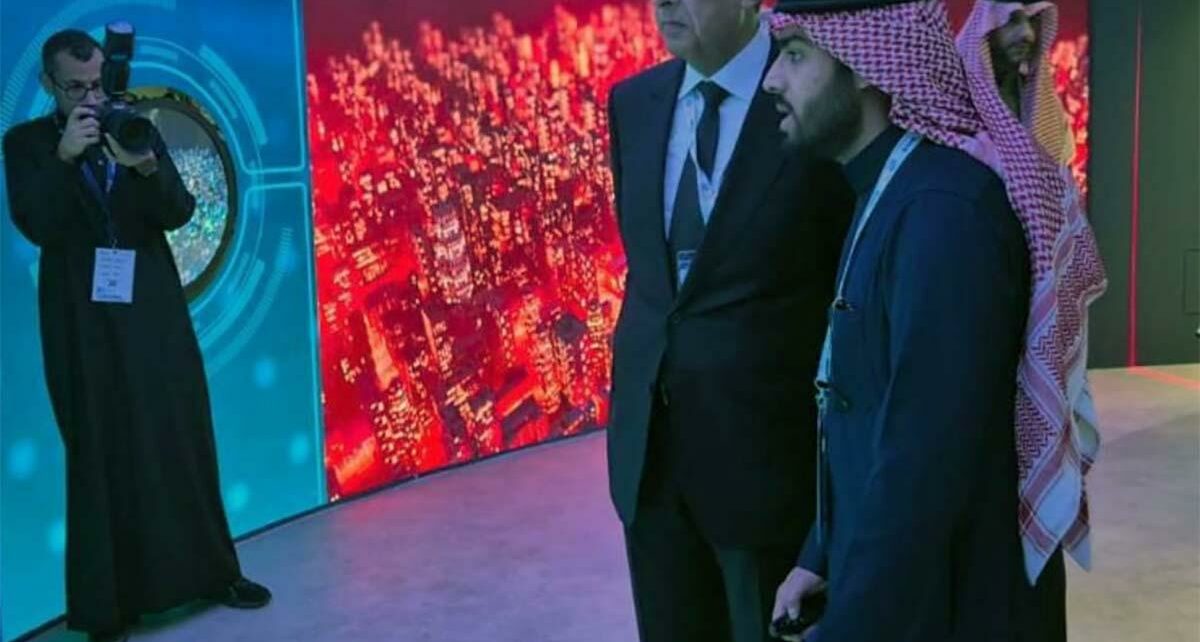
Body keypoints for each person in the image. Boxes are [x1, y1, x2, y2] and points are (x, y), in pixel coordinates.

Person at [761, 1, 1106, 640]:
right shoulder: (893, 191)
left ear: (865, 65)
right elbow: (868, 411)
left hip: (957, 602)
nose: (772, 80)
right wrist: (822, 552)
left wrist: (851, 626)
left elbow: (922, 467)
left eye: (796, 55)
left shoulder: (943, 214)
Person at [2, 29, 271, 642]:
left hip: (153, 310)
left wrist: (145, 165)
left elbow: (178, 212)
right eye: (75, 87)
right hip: (79, 320)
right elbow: (36, 223)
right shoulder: (27, 144)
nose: (90, 96)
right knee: (99, 450)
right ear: (49, 85)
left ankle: (216, 575)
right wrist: (65, 158)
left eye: (97, 83)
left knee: (182, 434)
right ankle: (108, 610)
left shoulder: (134, 126)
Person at [605, 0, 853, 640]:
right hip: (650, 463)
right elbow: (654, 280)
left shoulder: (813, 93)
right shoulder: (633, 104)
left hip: (769, 468)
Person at [958, 0, 1075, 165]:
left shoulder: (1045, 106)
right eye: (1012, 21)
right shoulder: (952, 99)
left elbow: (1062, 169)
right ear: (986, 28)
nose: (1028, 35)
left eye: (1032, 22)